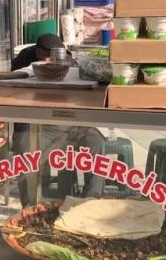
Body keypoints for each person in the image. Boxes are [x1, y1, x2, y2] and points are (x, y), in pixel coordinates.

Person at [10, 35, 105, 206]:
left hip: (70, 123)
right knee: (24, 149)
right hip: (36, 125)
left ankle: (92, 201)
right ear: (38, 53)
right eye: (49, 56)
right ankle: (30, 207)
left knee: (96, 140)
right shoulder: (24, 63)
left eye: (57, 56)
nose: (54, 61)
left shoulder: (70, 64)